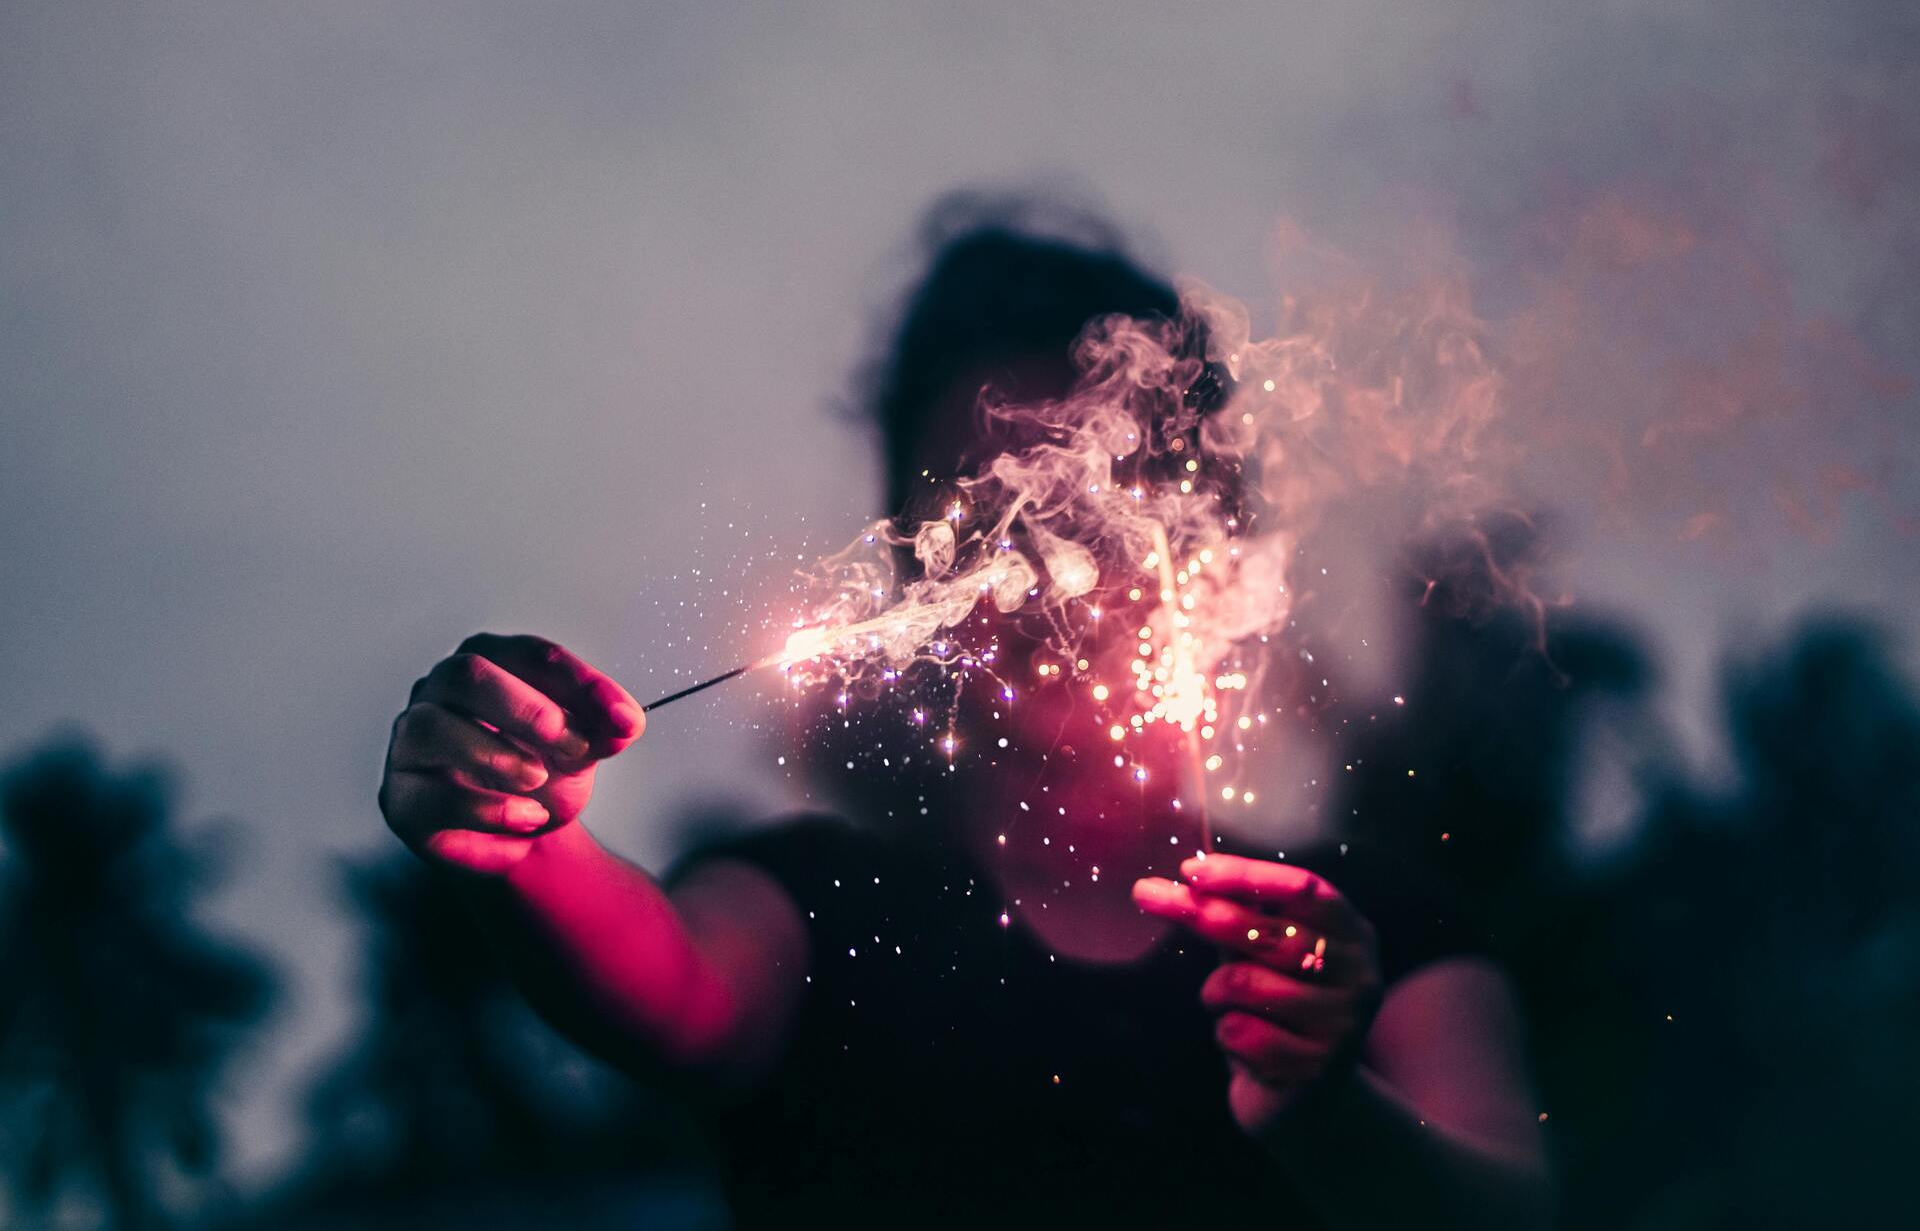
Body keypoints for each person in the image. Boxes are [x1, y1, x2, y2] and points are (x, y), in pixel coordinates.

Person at [377, 197, 1551, 1228]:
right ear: (909, 571)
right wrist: (522, 832)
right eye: (981, 509)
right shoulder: (812, 909)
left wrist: (1324, 1103)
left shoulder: (1357, 930)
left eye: (1092, 493)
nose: (1047, 562)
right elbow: (672, 985)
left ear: (1209, 523)